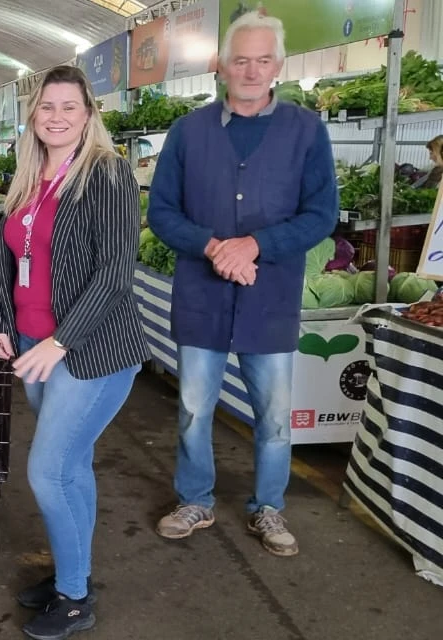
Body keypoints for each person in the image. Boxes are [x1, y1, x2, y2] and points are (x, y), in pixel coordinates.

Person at [147, 12, 338, 557]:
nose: (251, 71)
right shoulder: (188, 132)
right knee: (192, 408)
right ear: (221, 66)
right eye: (240, 59)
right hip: (202, 298)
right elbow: (162, 212)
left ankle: (269, 508)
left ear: (278, 65)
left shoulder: (307, 131)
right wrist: (213, 247)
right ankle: (195, 499)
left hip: (270, 300)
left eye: (262, 60)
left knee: (275, 416)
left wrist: (254, 245)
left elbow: (322, 214)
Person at [0, 65, 149, 640]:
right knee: (72, 466)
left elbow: (114, 272)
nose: (56, 117)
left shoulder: (106, 174)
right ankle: (71, 573)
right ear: (34, 113)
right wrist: (0, 319)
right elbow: (8, 257)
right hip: (33, 345)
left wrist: (60, 340)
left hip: (90, 349)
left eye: (69, 107)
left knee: (48, 471)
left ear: (88, 115)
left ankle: (76, 599)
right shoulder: (29, 173)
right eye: (47, 107)